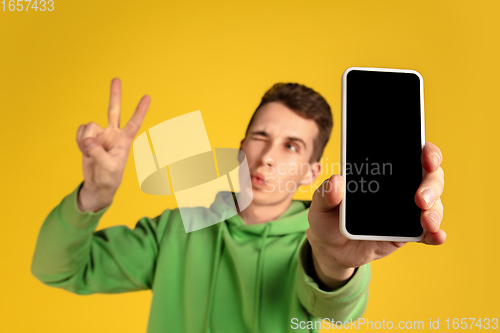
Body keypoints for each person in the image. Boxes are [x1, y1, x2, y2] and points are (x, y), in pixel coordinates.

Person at [31, 78, 446, 333]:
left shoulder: (318, 241)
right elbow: (57, 268)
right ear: (240, 147)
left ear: (309, 171)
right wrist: (94, 197)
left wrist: (335, 261)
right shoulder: (177, 228)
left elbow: (337, 309)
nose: (267, 157)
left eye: (291, 146)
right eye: (259, 137)